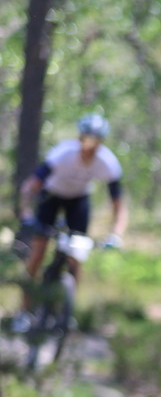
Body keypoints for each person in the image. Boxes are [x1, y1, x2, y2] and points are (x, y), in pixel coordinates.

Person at [18, 113, 126, 287]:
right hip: (51, 197)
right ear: (80, 137)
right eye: (87, 138)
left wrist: (116, 234)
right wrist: (26, 212)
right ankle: (26, 299)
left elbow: (118, 204)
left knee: (77, 255)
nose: (90, 145)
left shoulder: (108, 162)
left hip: (78, 201)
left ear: (101, 141)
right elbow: (32, 184)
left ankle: (68, 301)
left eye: (96, 140)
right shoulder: (63, 153)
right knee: (39, 250)